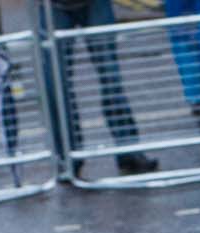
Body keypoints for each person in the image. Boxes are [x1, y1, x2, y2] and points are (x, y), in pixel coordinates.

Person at [44, 0, 159, 176]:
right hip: (52, 6)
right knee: (56, 84)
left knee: (110, 76)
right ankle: (66, 159)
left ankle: (128, 151)